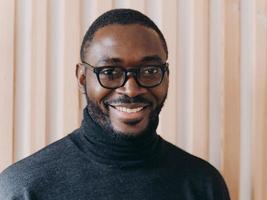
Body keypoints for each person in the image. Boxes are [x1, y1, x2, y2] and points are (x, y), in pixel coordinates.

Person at [0, 9, 230, 200]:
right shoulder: (25, 189)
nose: (131, 89)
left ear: (166, 75)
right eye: (110, 72)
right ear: (82, 78)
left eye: (149, 71)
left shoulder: (203, 184)